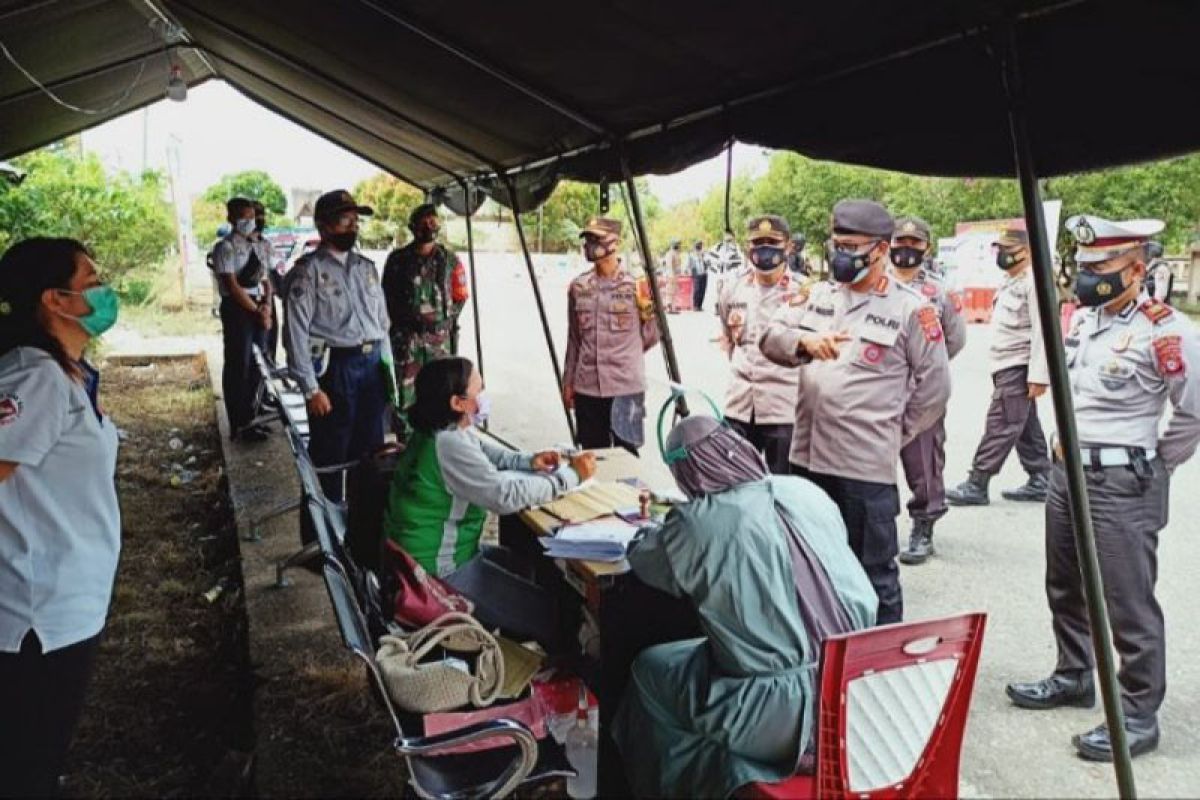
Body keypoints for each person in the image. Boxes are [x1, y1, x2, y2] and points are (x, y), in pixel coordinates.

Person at [1006, 215, 1200, 761]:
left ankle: (1137, 714)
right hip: (1066, 472)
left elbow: (1192, 410)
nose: (1089, 276)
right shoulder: (1084, 321)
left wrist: (1158, 463)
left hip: (1122, 480)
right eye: (1085, 267)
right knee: (1064, 583)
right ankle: (1074, 674)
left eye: (1103, 267)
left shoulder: (1167, 330)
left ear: (1137, 269)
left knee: (1126, 600)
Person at [612, 414, 876, 798]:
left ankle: (673, 786)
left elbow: (645, 562)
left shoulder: (696, 523)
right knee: (701, 659)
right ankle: (726, 771)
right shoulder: (806, 491)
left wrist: (655, 529)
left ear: (686, 472)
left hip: (782, 710)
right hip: (857, 687)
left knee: (650, 671)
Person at [759, 199, 950, 624]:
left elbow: (935, 387)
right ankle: (822, 664)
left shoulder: (910, 308)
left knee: (873, 576)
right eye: (836, 244)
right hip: (806, 460)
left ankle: (877, 675)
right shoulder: (819, 296)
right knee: (808, 570)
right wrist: (803, 344)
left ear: (880, 251)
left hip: (864, 470)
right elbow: (769, 336)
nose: (839, 254)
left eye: (850, 246)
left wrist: (892, 433)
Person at [0, 238, 122, 797]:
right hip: (36, 614)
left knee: (39, 754)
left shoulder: (66, 371)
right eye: (92, 280)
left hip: (66, 602)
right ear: (57, 299)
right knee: (26, 764)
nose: (105, 290)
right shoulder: (36, 380)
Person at [382, 356, 596, 646]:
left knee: (524, 567)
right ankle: (553, 670)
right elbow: (504, 496)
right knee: (548, 614)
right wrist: (570, 477)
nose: (483, 396)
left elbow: (490, 454)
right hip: (435, 570)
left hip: (429, 553)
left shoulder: (443, 430)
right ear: (457, 403)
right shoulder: (449, 444)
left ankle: (510, 638)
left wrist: (529, 461)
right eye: (478, 390)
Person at [284, 189, 392, 501]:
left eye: (356, 221)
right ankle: (322, 541)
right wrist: (310, 388)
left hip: (371, 368)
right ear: (325, 226)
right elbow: (295, 334)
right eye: (346, 221)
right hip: (334, 370)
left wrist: (388, 377)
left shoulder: (366, 268)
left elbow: (382, 326)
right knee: (329, 459)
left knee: (371, 456)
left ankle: (361, 533)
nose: (354, 227)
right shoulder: (307, 273)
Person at [945, 227, 1051, 505]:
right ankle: (1042, 477)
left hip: (1019, 365)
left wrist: (1039, 374)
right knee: (1024, 423)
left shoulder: (1034, 282)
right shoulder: (1011, 281)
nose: (1002, 255)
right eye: (999, 249)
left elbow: (1045, 330)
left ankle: (977, 482)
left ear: (1026, 252)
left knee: (1002, 422)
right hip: (1005, 364)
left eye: (1008, 249)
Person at [889, 216, 967, 564]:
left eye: (914, 244)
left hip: (920, 391)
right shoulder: (876, 283)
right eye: (899, 242)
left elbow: (955, 338)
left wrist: (927, 367)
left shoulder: (940, 292)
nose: (906, 250)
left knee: (923, 462)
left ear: (926, 248)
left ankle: (924, 524)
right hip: (879, 389)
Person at [563, 216, 660, 452]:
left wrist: (625, 353)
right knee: (592, 457)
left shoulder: (637, 286)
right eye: (587, 239)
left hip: (625, 389)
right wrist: (568, 381)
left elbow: (651, 334)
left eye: (596, 239)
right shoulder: (579, 287)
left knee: (627, 456)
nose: (589, 245)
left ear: (615, 242)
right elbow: (575, 339)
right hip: (587, 388)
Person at [716, 215, 803, 474]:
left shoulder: (803, 293)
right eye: (757, 242)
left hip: (782, 411)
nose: (764, 248)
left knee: (783, 491)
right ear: (747, 247)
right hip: (739, 408)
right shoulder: (733, 289)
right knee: (736, 486)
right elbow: (731, 341)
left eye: (772, 242)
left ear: (788, 246)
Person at [381, 203, 468, 434]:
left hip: (440, 344)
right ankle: (407, 446)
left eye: (433, 221)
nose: (429, 226)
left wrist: (442, 324)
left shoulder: (450, 260)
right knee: (406, 399)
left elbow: (460, 296)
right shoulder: (398, 260)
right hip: (407, 342)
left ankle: (438, 448)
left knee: (441, 396)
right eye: (423, 222)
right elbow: (385, 299)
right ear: (413, 227)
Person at [212, 197, 274, 442]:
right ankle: (239, 422)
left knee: (260, 364)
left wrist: (267, 306)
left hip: (259, 305)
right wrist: (256, 311)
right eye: (243, 218)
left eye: (251, 217)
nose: (248, 222)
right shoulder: (224, 248)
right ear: (231, 218)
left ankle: (255, 415)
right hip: (239, 309)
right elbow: (232, 285)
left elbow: (266, 281)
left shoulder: (258, 246)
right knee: (240, 364)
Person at [1145, 241, 1174, 305]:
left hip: (1157, 305)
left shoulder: (1161, 268)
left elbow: (1161, 293)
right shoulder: (1153, 265)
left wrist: (1154, 304)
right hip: (1151, 301)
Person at [662, 239, 684, 313]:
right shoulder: (670, 254)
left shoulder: (676, 253)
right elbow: (669, 266)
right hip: (670, 275)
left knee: (674, 291)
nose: (679, 246)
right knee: (670, 292)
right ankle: (669, 308)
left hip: (675, 275)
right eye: (678, 244)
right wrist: (671, 275)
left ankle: (672, 307)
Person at [687, 240, 709, 311]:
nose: (700, 247)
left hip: (704, 274)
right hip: (696, 274)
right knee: (697, 290)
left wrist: (703, 256)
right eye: (698, 246)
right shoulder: (691, 255)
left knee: (702, 290)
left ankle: (699, 305)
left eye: (700, 246)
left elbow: (708, 262)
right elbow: (688, 265)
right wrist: (689, 272)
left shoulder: (704, 254)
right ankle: (695, 305)